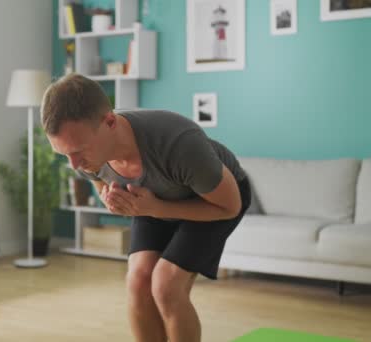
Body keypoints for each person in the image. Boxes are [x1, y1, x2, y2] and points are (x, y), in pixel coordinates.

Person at [40, 73, 251, 342]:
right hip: (153, 201)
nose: (74, 164)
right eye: (64, 154)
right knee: (138, 282)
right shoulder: (84, 154)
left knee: (166, 286)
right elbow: (101, 182)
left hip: (212, 200)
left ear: (110, 122)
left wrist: (157, 208)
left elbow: (229, 206)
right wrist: (110, 197)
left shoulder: (179, 142)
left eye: (78, 151)